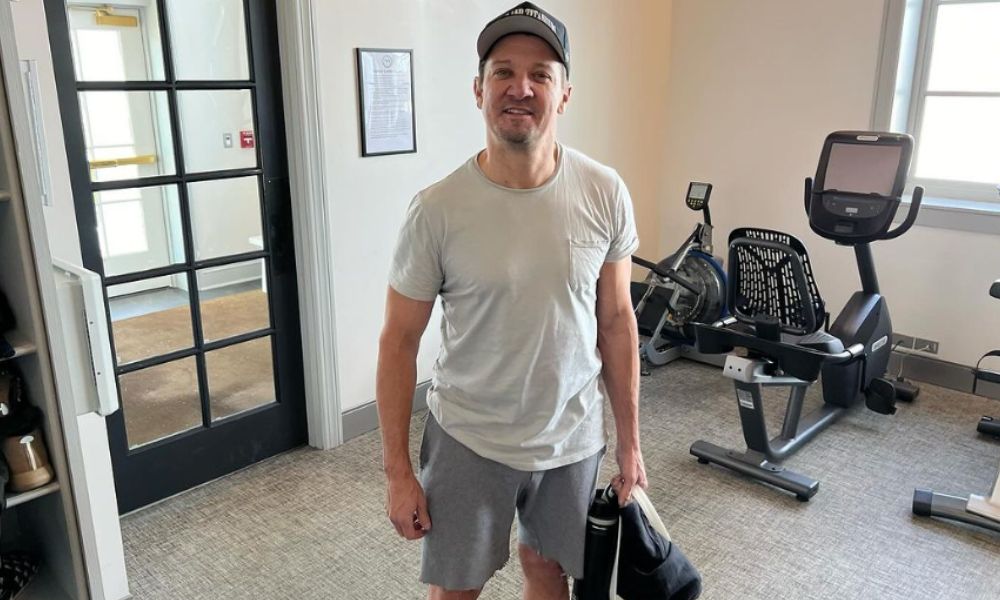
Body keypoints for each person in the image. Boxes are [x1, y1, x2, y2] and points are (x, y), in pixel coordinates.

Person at [376, 3, 646, 598]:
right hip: (470, 437)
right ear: (478, 90)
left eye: (540, 74)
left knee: (548, 569)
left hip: (571, 437)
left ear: (564, 94)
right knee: (457, 586)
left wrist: (630, 444)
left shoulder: (604, 192)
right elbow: (399, 342)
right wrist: (397, 471)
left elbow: (616, 321)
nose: (520, 88)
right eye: (503, 72)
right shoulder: (437, 210)